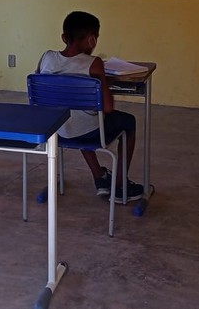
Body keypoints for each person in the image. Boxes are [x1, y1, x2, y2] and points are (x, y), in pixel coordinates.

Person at [36, 11, 144, 201]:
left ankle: (99, 176)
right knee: (127, 122)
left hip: (54, 129)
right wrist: (104, 83)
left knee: (77, 115)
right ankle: (120, 186)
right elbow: (107, 108)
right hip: (84, 131)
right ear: (92, 39)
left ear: (64, 37)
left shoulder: (47, 57)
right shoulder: (94, 64)